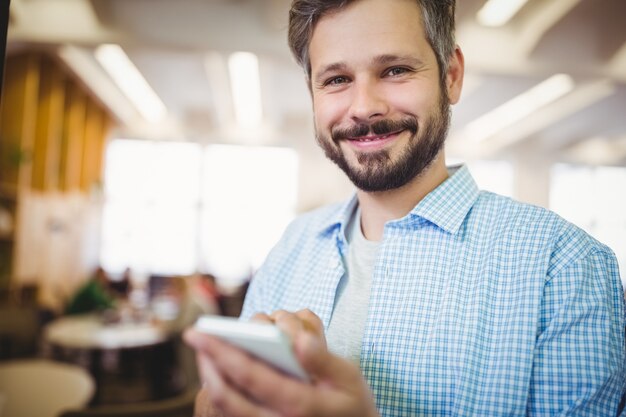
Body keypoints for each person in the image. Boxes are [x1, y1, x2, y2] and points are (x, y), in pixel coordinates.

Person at [184, 0, 626, 415]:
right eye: (336, 79)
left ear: (450, 75)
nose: (364, 108)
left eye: (395, 70)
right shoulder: (291, 247)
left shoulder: (565, 267)